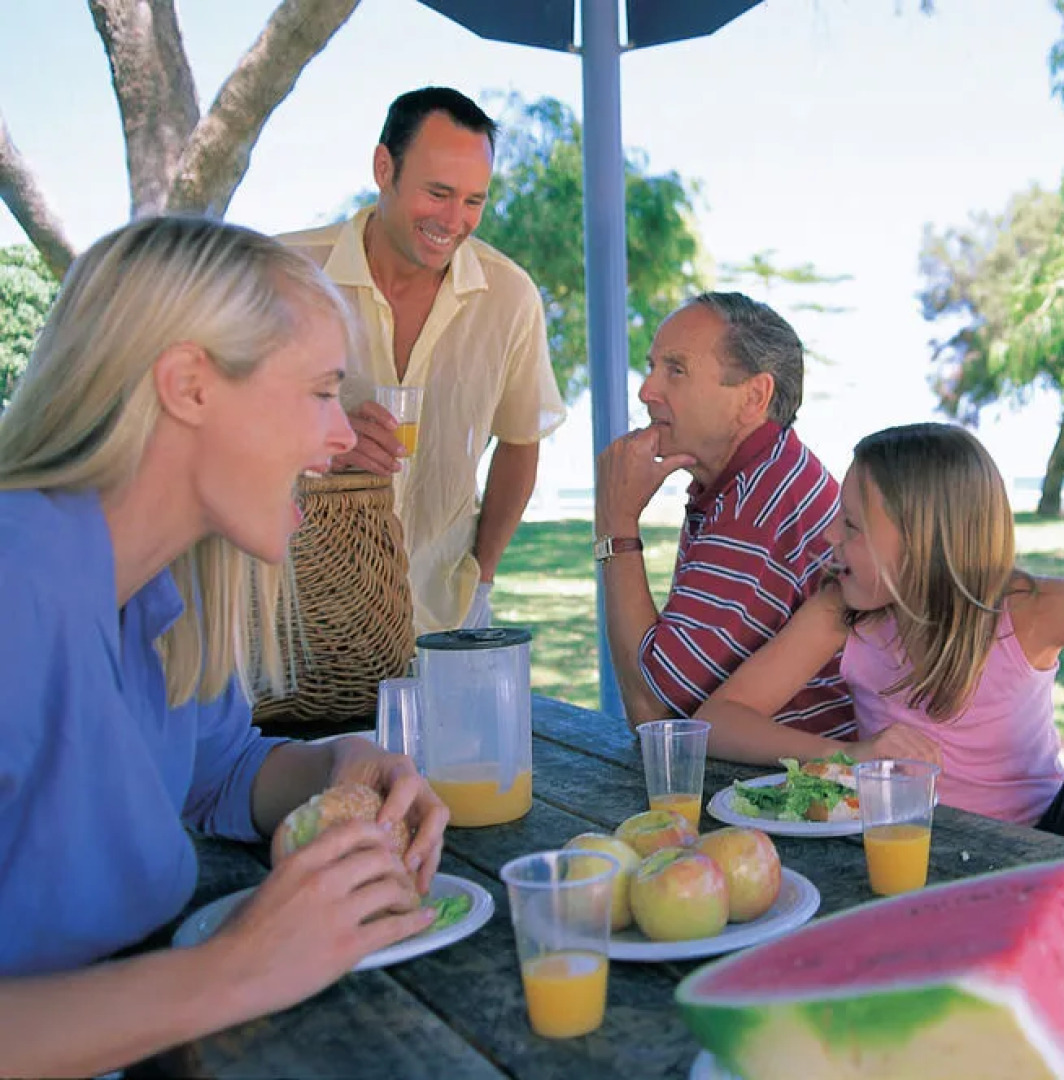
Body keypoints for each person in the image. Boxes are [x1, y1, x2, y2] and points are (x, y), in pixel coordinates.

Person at [0, 216, 451, 1077]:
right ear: (189, 386)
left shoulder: (163, 593)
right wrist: (235, 971)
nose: (340, 436)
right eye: (320, 392)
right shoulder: (15, 582)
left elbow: (215, 771)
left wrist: (337, 766)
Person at [694, 423, 1064, 863]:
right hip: (915, 847)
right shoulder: (842, 611)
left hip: (1047, 841)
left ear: (922, 539)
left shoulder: (1028, 609)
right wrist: (851, 757)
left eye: (852, 526)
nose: (830, 538)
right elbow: (718, 719)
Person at [280, 86, 566, 633]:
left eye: (474, 201)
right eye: (437, 193)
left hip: (440, 622)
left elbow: (520, 440)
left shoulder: (509, 297)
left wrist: (481, 578)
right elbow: (211, 429)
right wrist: (312, 440)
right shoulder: (283, 274)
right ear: (383, 167)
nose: (454, 220)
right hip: (293, 625)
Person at [595, 291, 853, 734]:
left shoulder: (761, 504)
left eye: (676, 370)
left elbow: (657, 714)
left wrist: (615, 524)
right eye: (652, 366)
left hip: (788, 792)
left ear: (754, 397)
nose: (646, 390)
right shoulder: (756, 477)